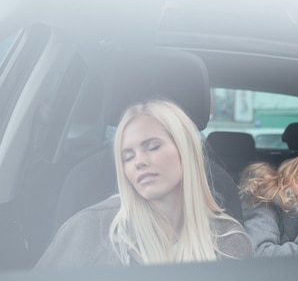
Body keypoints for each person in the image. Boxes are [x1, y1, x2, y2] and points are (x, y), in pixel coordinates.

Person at [36, 100, 252, 268]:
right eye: (128, 157)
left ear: (184, 149)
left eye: (152, 147)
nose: (139, 161)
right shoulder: (91, 229)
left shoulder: (230, 240)